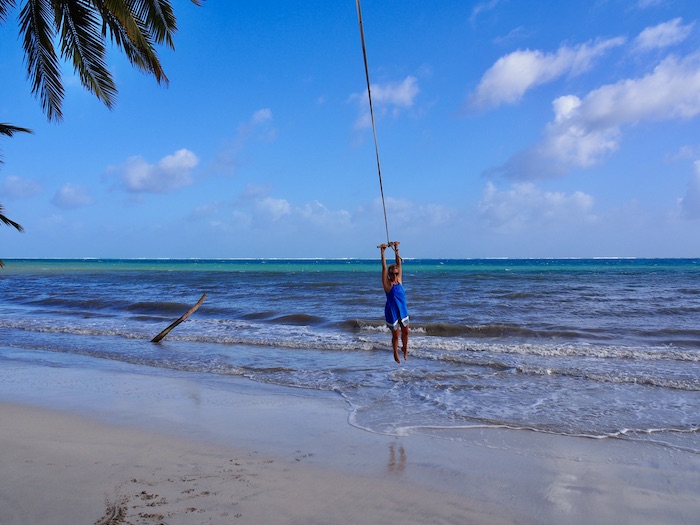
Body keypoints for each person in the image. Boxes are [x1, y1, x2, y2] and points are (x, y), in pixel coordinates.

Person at [379, 241, 409, 363]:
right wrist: (382, 252)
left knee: (406, 332)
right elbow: (384, 267)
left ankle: (405, 349)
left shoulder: (400, 281)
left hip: (403, 310)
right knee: (396, 335)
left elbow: (399, 264)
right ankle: (395, 352)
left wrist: (396, 248)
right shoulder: (387, 285)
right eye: (392, 274)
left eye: (396, 273)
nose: (394, 275)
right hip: (392, 311)